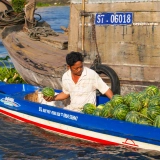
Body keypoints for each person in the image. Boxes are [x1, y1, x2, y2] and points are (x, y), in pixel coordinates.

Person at [43, 51, 113, 112]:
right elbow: (66, 93)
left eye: (81, 67)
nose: (79, 69)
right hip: (72, 110)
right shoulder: (65, 77)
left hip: (87, 112)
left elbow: (105, 89)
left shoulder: (91, 74)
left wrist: (115, 103)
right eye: (76, 68)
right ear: (69, 67)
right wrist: (53, 98)